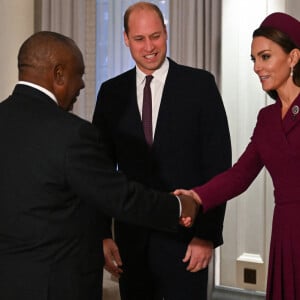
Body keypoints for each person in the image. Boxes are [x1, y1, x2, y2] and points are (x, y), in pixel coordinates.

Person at [0, 31, 199, 300]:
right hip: (57, 285)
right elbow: (119, 196)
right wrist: (178, 206)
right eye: (78, 74)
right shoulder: (71, 134)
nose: (81, 85)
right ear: (58, 74)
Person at [92, 2, 231, 299]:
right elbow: (100, 170)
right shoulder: (110, 93)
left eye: (155, 36)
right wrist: (103, 234)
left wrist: (206, 235)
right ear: (126, 39)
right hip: (131, 239)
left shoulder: (200, 85)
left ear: (166, 33)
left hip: (187, 239)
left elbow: (219, 166)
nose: (149, 47)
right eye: (140, 39)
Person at [175, 12, 300, 300]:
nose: (257, 67)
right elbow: (240, 175)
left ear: (293, 57)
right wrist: (197, 196)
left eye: (265, 57)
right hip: (286, 229)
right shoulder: (267, 118)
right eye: (253, 59)